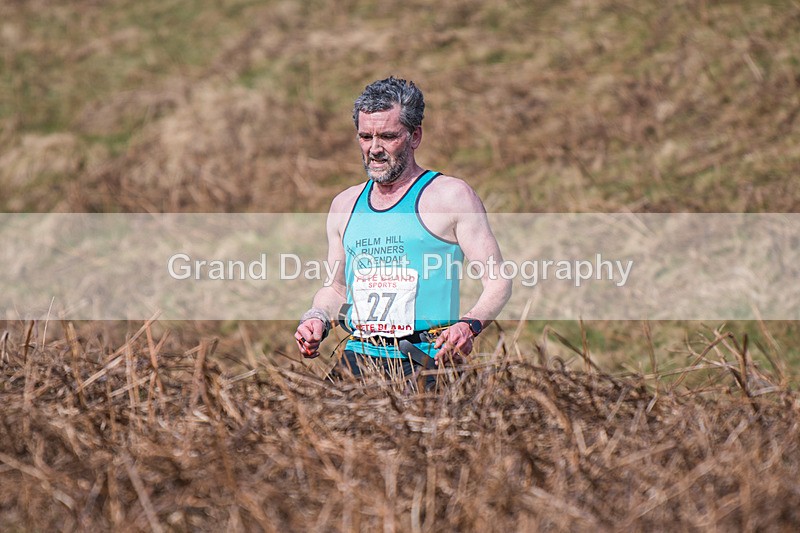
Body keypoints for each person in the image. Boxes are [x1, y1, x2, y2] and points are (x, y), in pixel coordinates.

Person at [294, 76, 511, 381]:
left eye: (387, 136)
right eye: (365, 137)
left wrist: (468, 325)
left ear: (415, 136)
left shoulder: (451, 196)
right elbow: (336, 287)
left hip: (426, 360)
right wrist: (316, 319)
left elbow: (498, 280)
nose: (374, 149)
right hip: (358, 359)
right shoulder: (344, 204)